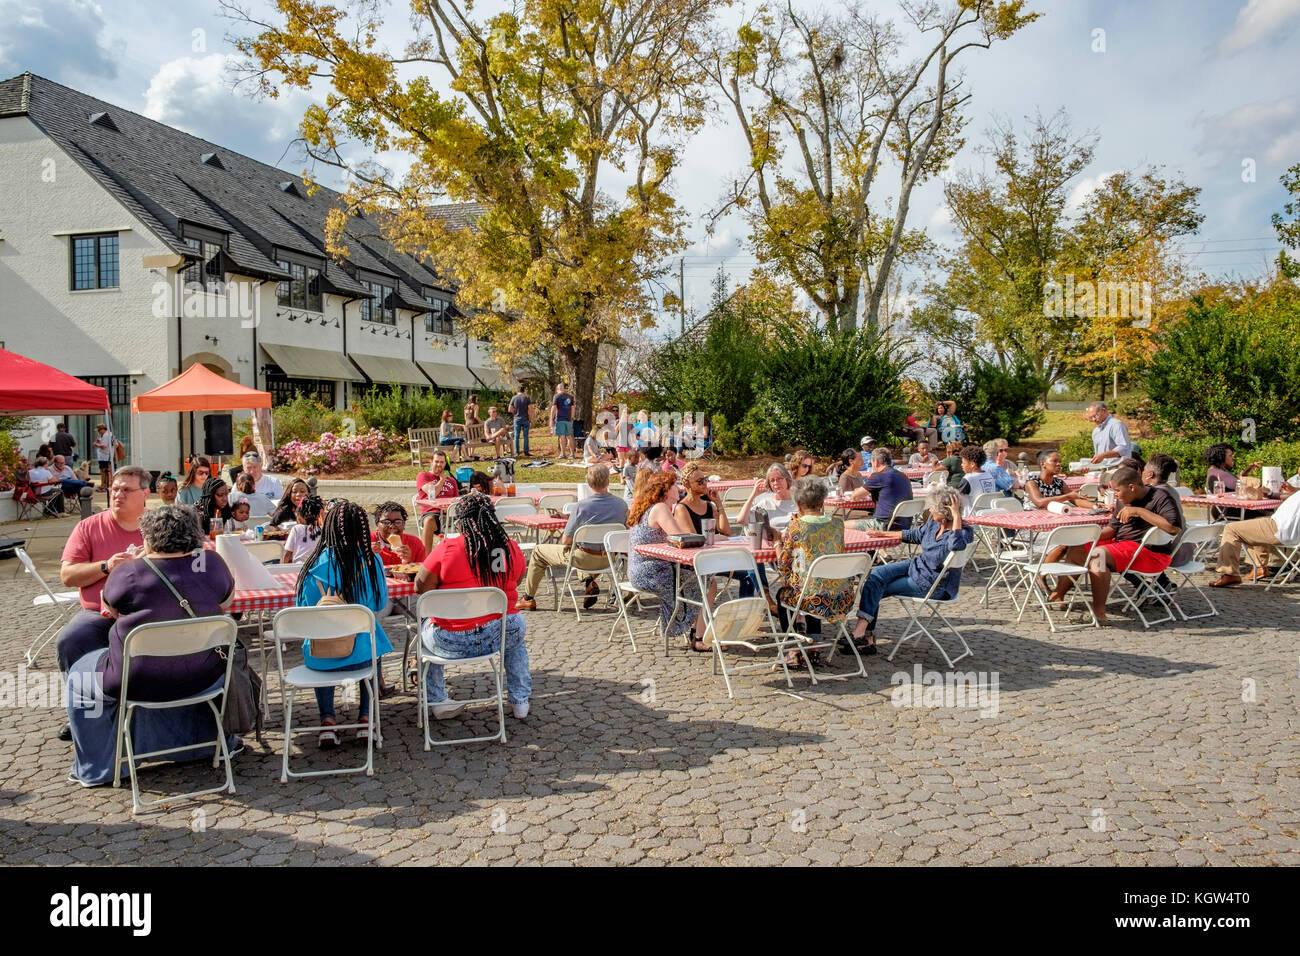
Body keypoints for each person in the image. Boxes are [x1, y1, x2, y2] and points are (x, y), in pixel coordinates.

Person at [66, 504, 238, 786]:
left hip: (137, 679)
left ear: (147, 537)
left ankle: (99, 767)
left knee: (78, 673)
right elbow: (224, 603)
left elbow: (111, 610)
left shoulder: (128, 572)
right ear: (195, 534)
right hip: (205, 675)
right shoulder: (212, 563)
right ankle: (206, 743)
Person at [52, 465, 150, 741]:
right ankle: (84, 714)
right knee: (71, 639)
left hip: (150, 612)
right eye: (114, 489)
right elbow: (67, 575)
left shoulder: (159, 525)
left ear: (145, 493)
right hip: (100, 614)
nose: (117, 494)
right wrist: (106, 566)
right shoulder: (89, 527)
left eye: (126, 490)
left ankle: (169, 711)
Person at [415, 493, 532, 719]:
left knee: (423, 631)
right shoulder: (511, 547)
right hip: (502, 633)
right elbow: (515, 581)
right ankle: (520, 701)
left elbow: (421, 587)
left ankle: (438, 700)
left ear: (461, 521)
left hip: (452, 639)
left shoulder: (448, 547)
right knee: (515, 637)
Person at [294, 502, 393, 745]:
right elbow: (380, 603)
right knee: (373, 636)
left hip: (321, 657)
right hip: (362, 656)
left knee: (320, 636)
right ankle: (366, 718)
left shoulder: (311, 567)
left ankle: (327, 720)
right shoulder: (372, 563)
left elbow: (303, 612)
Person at [1046, 467, 1184, 620]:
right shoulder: (1124, 499)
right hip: (1121, 545)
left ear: (1131, 487)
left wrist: (1139, 512)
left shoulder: (1160, 497)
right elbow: (1113, 529)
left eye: (1117, 490)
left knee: (1098, 556)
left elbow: (1173, 528)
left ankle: (1099, 612)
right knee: (1078, 547)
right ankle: (1058, 594)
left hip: (1149, 552)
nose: (1115, 495)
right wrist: (1089, 536)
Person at [848, 484, 973, 652]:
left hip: (933, 583)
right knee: (875, 576)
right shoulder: (934, 525)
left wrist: (957, 514)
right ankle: (865, 636)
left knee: (877, 587)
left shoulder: (962, 532)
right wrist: (883, 534)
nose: (930, 509)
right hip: (918, 566)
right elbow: (913, 535)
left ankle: (862, 636)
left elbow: (956, 544)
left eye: (933, 508)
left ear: (945, 514)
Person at [518, 464, 628, 611]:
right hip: (609, 559)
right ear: (608, 482)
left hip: (584, 559)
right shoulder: (621, 505)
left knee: (539, 551)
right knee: (580, 548)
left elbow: (566, 541)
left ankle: (528, 598)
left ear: (589, 484)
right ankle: (589, 581)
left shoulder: (581, 507)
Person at [773, 477, 854, 667]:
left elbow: (784, 564)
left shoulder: (797, 526)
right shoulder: (837, 524)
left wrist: (777, 542)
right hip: (840, 596)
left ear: (799, 505)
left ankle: (793, 649)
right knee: (813, 582)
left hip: (813, 597)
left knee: (787, 594)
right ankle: (814, 647)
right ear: (822, 501)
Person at [626, 471, 702, 648]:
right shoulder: (659, 508)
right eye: (675, 485)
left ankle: (695, 630)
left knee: (697, 579)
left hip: (641, 569)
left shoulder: (650, 506)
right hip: (651, 571)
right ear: (666, 490)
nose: (680, 488)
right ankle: (697, 633)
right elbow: (680, 539)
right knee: (703, 580)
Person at [1208, 482, 1300, 587]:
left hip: (1281, 527)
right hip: (1287, 529)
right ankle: (1260, 567)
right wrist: (1271, 494)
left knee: (1231, 529)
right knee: (1254, 523)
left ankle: (1229, 574)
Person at [856, 447, 915, 530]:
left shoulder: (879, 476)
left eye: (871, 462)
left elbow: (855, 496)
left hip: (885, 525)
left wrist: (856, 491)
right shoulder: (903, 475)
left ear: (875, 462)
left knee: (843, 524)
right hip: (905, 526)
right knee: (862, 519)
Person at [416, 450, 460, 551]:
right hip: (432, 513)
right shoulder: (423, 476)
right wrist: (442, 480)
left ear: (445, 463)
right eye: (436, 461)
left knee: (469, 521)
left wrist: (450, 507)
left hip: (450, 514)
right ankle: (425, 559)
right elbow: (433, 493)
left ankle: (468, 556)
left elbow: (456, 499)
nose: (439, 464)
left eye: (442, 462)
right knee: (428, 521)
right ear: (431, 462)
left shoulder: (452, 481)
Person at [674, 461, 731, 537]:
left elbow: (726, 532)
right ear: (686, 484)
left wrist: (718, 503)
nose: (705, 483)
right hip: (700, 548)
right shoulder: (681, 509)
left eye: (705, 479)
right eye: (700, 481)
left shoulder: (709, 506)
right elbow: (694, 539)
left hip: (713, 548)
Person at [1026, 450, 1094, 509]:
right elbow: (1039, 502)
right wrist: (1068, 496)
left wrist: (1094, 506)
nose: (1059, 464)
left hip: (1053, 518)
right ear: (1043, 464)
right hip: (1032, 519)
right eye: (1054, 461)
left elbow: (1075, 500)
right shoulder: (1032, 483)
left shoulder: (1059, 483)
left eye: (1060, 461)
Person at [370, 501, 427, 567]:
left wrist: (409, 562)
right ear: (377, 524)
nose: (392, 526)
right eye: (386, 522)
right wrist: (365, 557)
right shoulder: (366, 541)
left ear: (404, 524)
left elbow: (423, 573)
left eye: (398, 522)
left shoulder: (415, 543)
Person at [283, 494, 326, 562]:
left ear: (300, 515)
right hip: (315, 568)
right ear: (318, 515)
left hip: (298, 568)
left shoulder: (296, 529)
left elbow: (287, 553)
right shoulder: (323, 530)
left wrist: (283, 567)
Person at [957, 445, 999, 512]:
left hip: (971, 517)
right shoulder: (989, 476)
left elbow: (957, 498)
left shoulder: (968, 478)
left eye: (963, 463)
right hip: (988, 513)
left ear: (972, 464)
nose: (961, 465)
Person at [550, 382, 576, 461]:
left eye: (558, 388)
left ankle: (563, 454)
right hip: (568, 419)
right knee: (569, 436)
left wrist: (551, 419)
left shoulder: (557, 396)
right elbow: (573, 408)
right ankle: (572, 454)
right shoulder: (571, 397)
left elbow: (554, 408)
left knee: (562, 437)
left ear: (559, 388)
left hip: (560, 419)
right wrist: (571, 418)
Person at [508, 383, 534, 457]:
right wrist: (531, 419)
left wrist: (515, 412)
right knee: (526, 436)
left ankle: (517, 452)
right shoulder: (526, 397)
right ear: (524, 391)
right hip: (525, 418)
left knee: (516, 436)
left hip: (517, 418)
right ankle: (526, 452)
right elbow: (530, 409)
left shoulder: (514, 398)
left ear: (517, 391)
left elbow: (509, 409)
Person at [92, 423, 114, 489]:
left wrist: (96, 444)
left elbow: (104, 446)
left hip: (105, 456)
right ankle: (105, 484)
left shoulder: (106, 435)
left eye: (99, 431)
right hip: (104, 456)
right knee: (105, 471)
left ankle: (104, 485)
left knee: (104, 471)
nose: (98, 432)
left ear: (102, 429)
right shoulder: (106, 435)